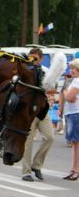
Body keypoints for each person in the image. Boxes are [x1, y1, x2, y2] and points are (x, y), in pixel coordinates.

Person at [21, 48, 66, 181]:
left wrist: (46, 88)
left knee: (50, 137)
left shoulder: (46, 71)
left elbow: (53, 89)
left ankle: (37, 165)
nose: (31, 60)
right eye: (30, 57)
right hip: (29, 110)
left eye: (34, 58)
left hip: (42, 109)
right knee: (28, 142)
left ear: (40, 58)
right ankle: (26, 172)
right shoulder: (26, 70)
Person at [62, 59, 79, 180]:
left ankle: (76, 170)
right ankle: (74, 168)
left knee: (76, 144)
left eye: (74, 68)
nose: (71, 70)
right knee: (74, 144)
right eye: (71, 68)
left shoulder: (77, 81)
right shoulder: (74, 81)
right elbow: (70, 98)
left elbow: (69, 97)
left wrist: (64, 90)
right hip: (71, 113)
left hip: (75, 113)